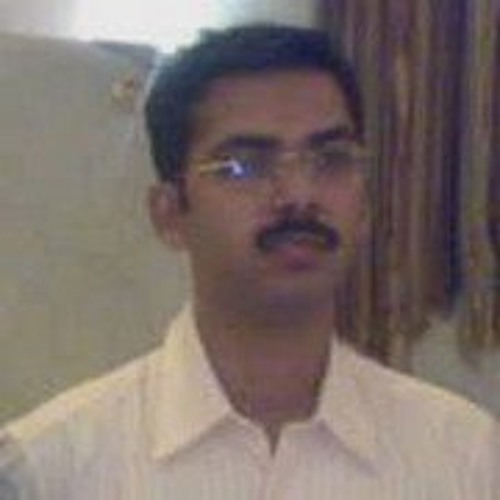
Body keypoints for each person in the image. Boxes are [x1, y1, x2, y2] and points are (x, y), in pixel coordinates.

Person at [0, 24, 498, 499]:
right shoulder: (51, 470)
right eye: (246, 166)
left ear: (365, 205)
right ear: (169, 214)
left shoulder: (465, 459)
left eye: (330, 159)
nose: (299, 194)